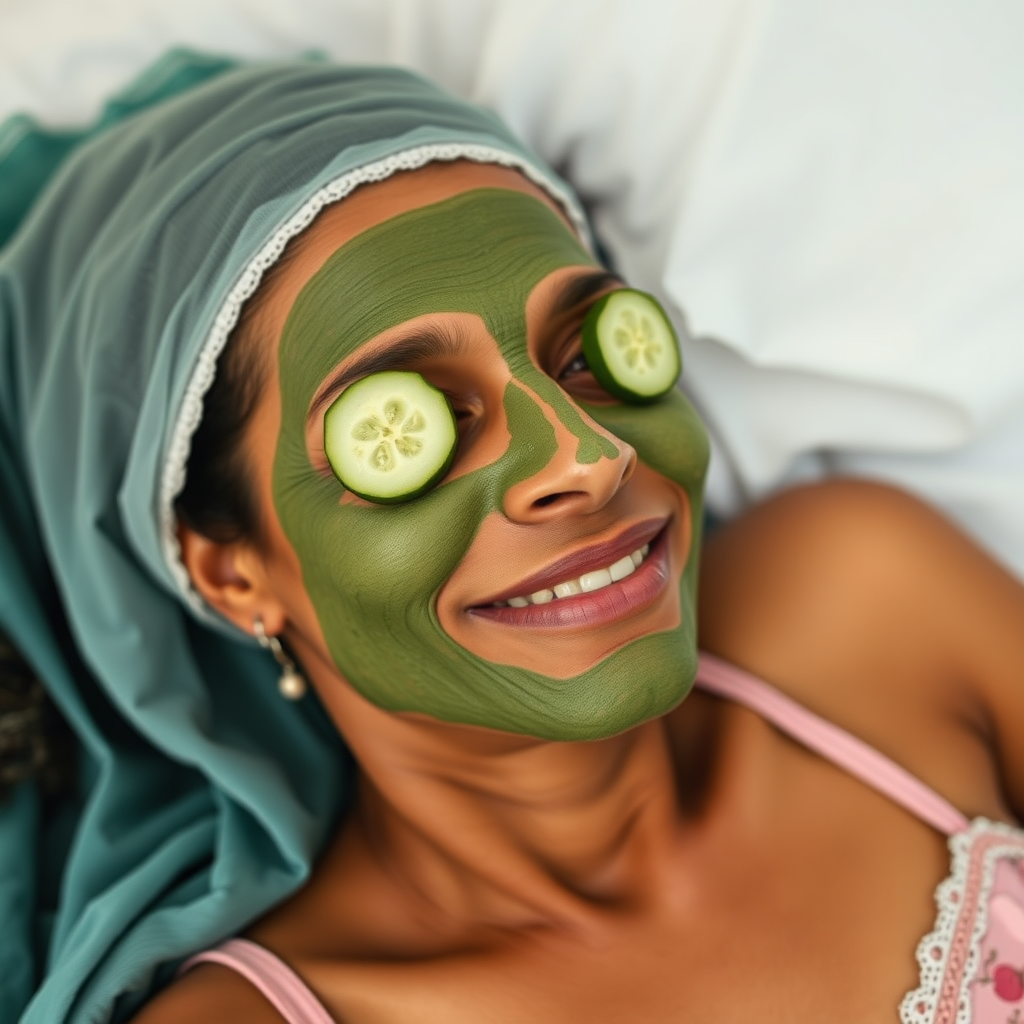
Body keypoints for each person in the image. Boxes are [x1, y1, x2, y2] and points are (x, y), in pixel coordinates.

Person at [2, 51, 1023, 1024]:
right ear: (231, 573)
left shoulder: (861, 601)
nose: (585, 456)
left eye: (584, 357)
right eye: (414, 427)